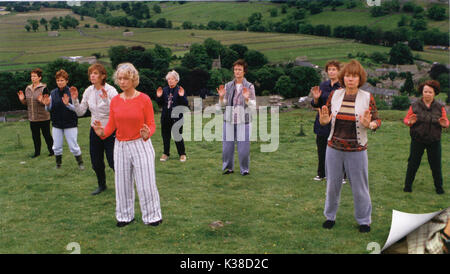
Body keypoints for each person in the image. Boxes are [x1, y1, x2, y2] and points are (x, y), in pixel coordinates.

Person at [92, 63, 162, 227]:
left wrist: (148, 133)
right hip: (120, 146)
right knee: (122, 184)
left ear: (133, 79)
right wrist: (102, 132)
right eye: (120, 78)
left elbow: (151, 124)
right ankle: (124, 216)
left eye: (126, 78)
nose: (122, 82)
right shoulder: (115, 101)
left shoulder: (144, 99)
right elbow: (111, 125)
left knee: (146, 183)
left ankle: (152, 216)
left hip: (141, 144)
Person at [318, 60, 381, 233]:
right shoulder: (335, 95)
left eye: (354, 76)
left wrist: (371, 125)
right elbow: (326, 117)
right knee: (332, 185)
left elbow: (377, 120)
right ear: (342, 77)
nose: (350, 79)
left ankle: (364, 220)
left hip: (357, 150)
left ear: (360, 79)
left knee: (360, 187)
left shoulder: (367, 97)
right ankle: (329, 216)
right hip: (334, 148)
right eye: (347, 76)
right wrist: (324, 121)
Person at [71, 64, 118, 195]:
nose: (92, 75)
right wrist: (74, 99)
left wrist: (106, 100)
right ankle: (101, 185)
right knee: (96, 161)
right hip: (94, 130)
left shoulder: (111, 91)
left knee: (113, 161)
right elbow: (80, 112)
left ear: (103, 76)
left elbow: (118, 111)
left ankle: (122, 185)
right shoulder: (88, 91)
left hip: (110, 129)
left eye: (96, 73)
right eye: (91, 73)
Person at [403, 80, 448, 194]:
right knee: (413, 163)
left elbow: (445, 121)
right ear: (422, 92)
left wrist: (445, 124)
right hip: (417, 140)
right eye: (425, 91)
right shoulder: (414, 106)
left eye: (430, 92)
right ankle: (407, 187)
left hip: (434, 141)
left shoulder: (440, 107)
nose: (427, 94)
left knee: (436, 166)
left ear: (435, 93)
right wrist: (409, 122)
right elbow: (406, 120)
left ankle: (439, 188)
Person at [217, 59, 256, 176]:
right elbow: (222, 105)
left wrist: (247, 99)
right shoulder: (228, 86)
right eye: (235, 69)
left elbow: (254, 106)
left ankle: (245, 169)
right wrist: (221, 97)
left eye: (239, 69)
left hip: (244, 120)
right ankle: (228, 168)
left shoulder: (249, 86)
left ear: (244, 72)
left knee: (243, 149)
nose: (237, 72)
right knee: (227, 148)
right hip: (229, 119)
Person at [42, 69, 84, 170]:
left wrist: (68, 104)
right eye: (58, 80)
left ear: (66, 81)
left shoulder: (72, 92)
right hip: (57, 124)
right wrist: (47, 104)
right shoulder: (53, 93)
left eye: (62, 80)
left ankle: (80, 163)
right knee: (56, 147)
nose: (60, 82)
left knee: (73, 146)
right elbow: (49, 109)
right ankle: (58, 165)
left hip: (70, 124)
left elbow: (78, 110)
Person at [311, 60, 341, 182]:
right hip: (322, 122)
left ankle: (341, 175)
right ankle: (321, 173)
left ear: (339, 71)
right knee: (322, 148)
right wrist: (316, 99)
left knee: (338, 149)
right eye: (329, 69)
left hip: (337, 122)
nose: (331, 72)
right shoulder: (323, 86)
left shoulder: (342, 87)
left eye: (334, 69)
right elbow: (315, 105)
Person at [17, 68, 54, 158]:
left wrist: (41, 101)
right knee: (35, 137)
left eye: (35, 76)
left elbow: (47, 103)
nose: (33, 78)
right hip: (32, 118)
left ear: (39, 77)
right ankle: (37, 153)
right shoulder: (27, 89)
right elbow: (27, 103)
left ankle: (52, 152)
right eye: (31, 76)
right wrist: (22, 100)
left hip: (43, 117)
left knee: (47, 136)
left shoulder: (44, 88)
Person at [155, 70, 188, 162]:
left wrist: (181, 96)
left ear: (176, 80)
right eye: (168, 79)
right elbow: (160, 104)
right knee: (165, 136)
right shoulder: (164, 90)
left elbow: (185, 104)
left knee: (177, 136)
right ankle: (166, 153)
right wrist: (159, 96)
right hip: (165, 117)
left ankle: (182, 154)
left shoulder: (180, 90)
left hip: (177, 118)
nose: (170, 81)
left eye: (172, 79)